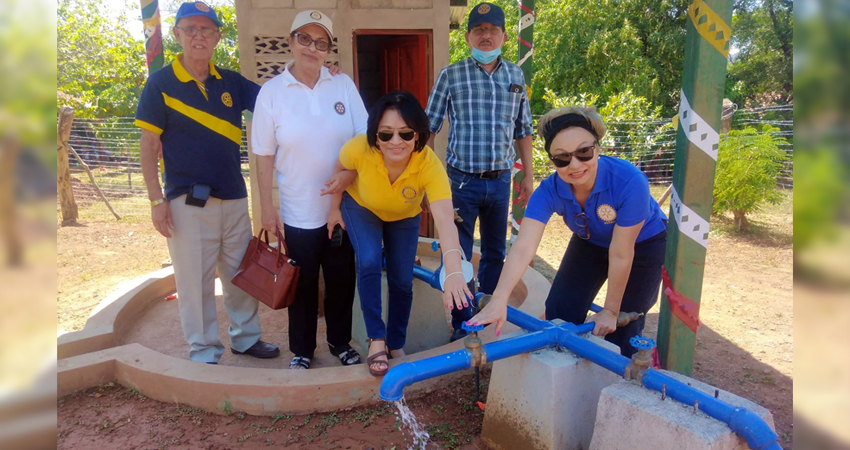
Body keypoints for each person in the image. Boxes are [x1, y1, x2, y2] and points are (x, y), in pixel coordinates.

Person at [135, 1, 279, 363]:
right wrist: (156, 201)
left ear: (217, 36)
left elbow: (276, 100)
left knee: (239, 275)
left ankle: (245, 339)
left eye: (206, 30)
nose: (199, 36)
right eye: (191, 29)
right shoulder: (160, 84)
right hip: (186, 203)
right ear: (178, 34)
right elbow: (149, 145)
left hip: (233, 197)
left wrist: (315, 75)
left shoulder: (230, 82)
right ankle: (204, 349)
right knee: (194, 281)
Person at [469, 106, 669, 357]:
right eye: (562, 158)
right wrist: (499, 299)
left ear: (597, 147)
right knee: (560, 310)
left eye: (584, 152)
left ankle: (620, 385)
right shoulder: (549, 190)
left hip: (643, 244)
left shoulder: (629, 181)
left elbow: (620, 252)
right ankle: (566, 381)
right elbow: (523, 247)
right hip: (590, 241)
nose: (574, 165)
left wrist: (610, 310)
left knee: (622, 327)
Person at [325, 91, 473, 376]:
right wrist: (334, 209)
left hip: (404, 215)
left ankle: (395, 342)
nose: (396, 142)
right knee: (368, 261)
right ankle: (376, 340)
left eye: (405, 134)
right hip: (362, 207)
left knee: (402, 280)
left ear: (418, 135)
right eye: (386, 134)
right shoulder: (359, 148)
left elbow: (444, 217)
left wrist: (453, 269)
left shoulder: (429, 164)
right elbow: (340, 169)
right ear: (374, 135)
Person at [251, 9, 367, 370]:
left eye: (321, 42)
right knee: (300, 286)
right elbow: (263, 155)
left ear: (328, 50)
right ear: (291, 42)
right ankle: (301, 349)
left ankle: (339, 342)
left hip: (342, 209)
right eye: (305, 39)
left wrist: (348, 178)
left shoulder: (343, 86)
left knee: (340, 281)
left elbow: (365, 139)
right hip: (299, 211)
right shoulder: (272, 93)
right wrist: (267, 209)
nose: (312, 48)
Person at [425, 2, 535, 342]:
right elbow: (428, 127)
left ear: (503, 35)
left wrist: (527, 176)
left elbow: (523, 128)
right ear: (469, 37)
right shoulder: (451, 75)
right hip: (461, 182)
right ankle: (461, 322)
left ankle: (487, 313)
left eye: (492, 31)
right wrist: (422, 179)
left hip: (500, 181)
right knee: (456, 252)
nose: (486, 36)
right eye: (479, 31)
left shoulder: (516, 77)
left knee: (494, 252)